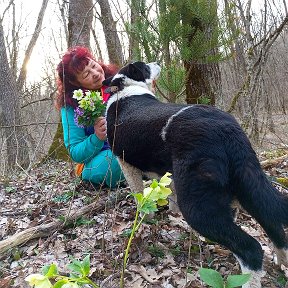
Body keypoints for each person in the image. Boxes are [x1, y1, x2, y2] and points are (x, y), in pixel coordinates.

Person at [55, 46, 125, 188]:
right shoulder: (70, 106)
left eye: (94, 65)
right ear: (75, 83)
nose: (95, 73)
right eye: (86, 74)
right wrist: (97, 137)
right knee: (116, 162)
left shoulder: (118, 83)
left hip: (131, 145)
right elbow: (75, 151)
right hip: (102, 157)